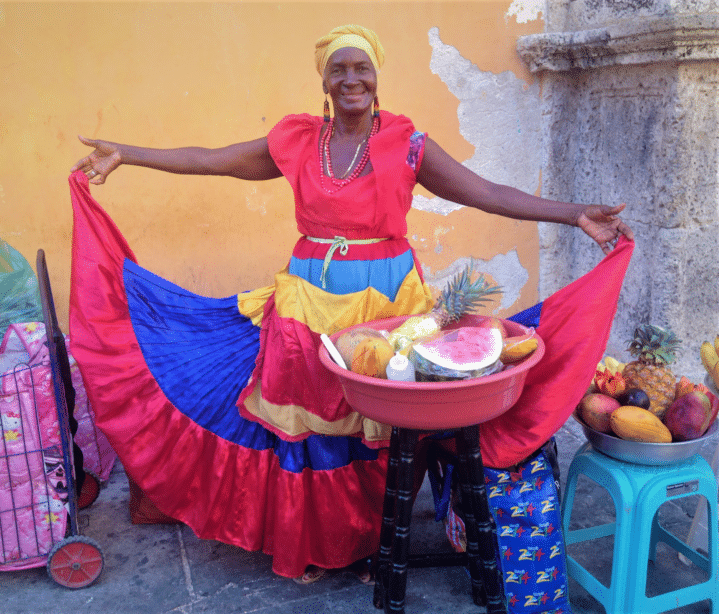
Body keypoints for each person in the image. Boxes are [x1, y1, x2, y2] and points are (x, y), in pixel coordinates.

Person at [69, 24, 634, 587]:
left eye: (360, 67)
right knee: (312, 431)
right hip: (307, 302)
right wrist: (129, 154)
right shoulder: (295, 141)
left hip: (388, 305)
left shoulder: (409, 144)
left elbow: (485, 192)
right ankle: (316, 541)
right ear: (325, 81)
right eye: (338, 69)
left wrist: (573, 213)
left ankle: (369, 538)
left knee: (380, 431)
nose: (350, 78)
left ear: (376, 76)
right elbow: (213, 159)